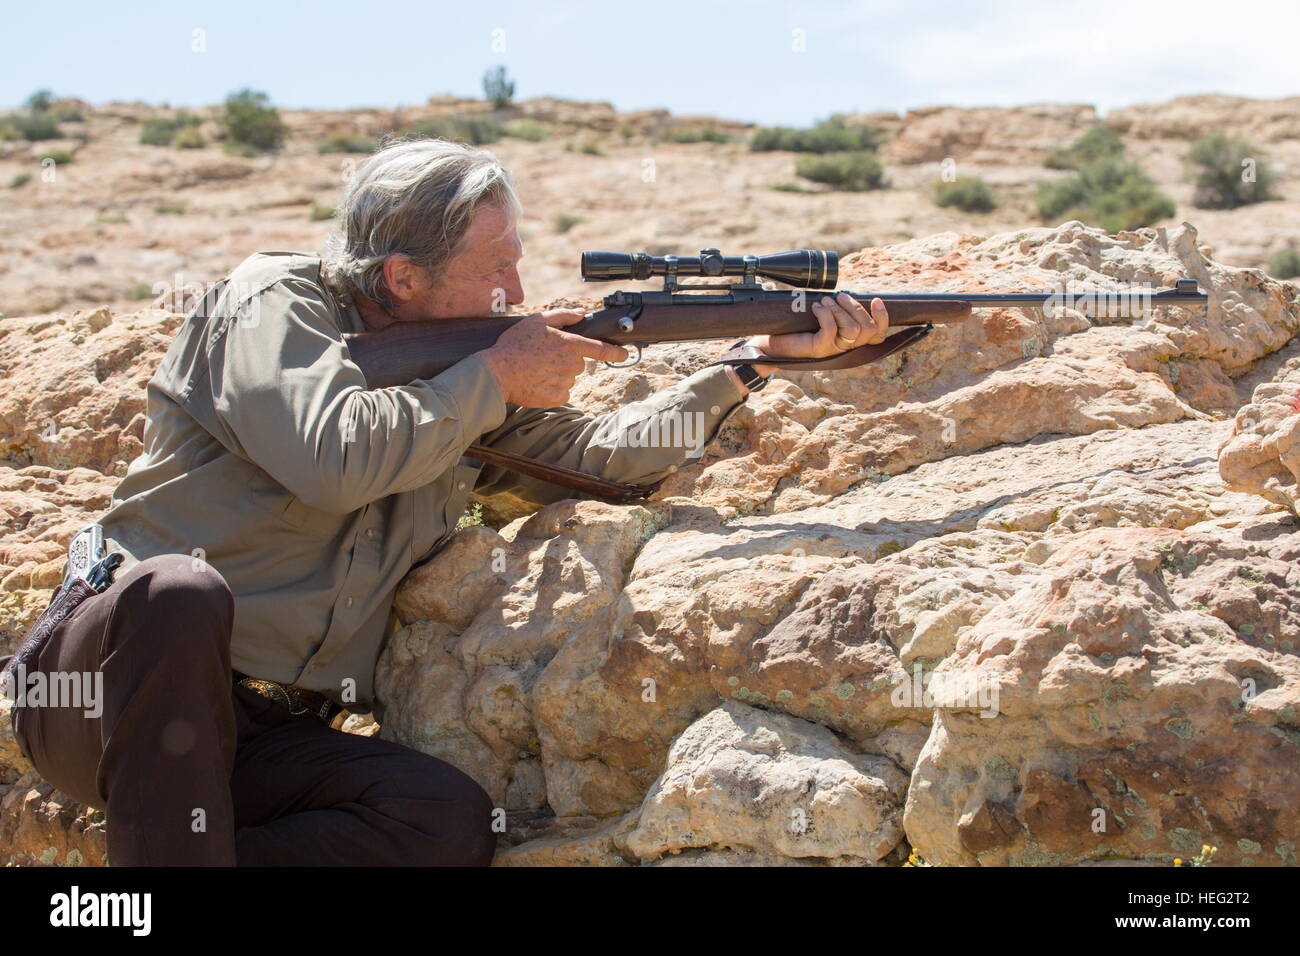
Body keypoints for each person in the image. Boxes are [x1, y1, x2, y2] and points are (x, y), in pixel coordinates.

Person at [5, 137, 889, 866]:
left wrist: (748, 364)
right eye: (496, 268)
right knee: (178, 593)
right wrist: (495, 374)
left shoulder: (457, 379)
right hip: (108, 691)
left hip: (255, 739)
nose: (517, 290)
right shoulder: (269, 300)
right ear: (400, 279)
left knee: (437, 819)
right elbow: (334, 457)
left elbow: (602, 461)